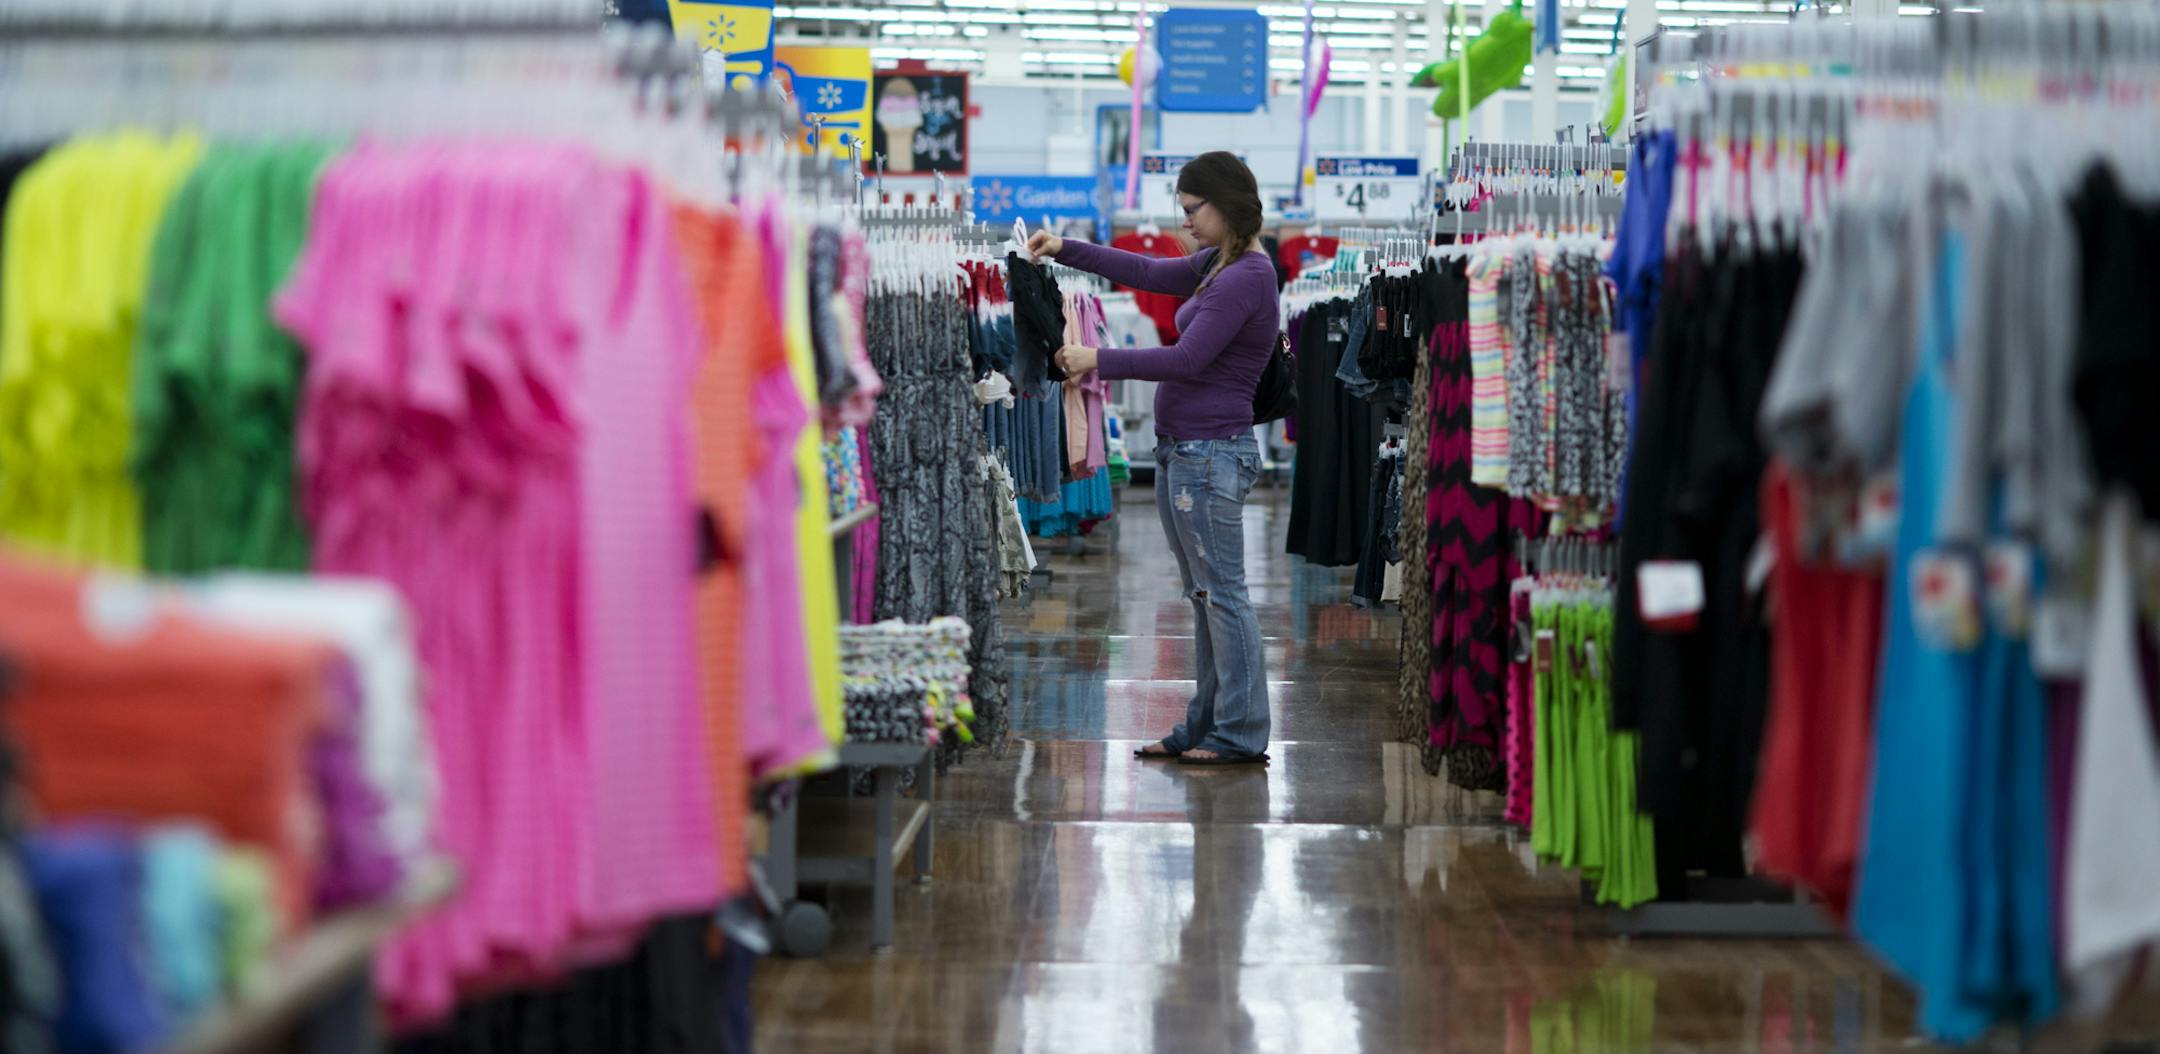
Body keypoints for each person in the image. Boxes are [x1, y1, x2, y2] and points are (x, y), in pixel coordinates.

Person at [1026, 151, 1278, 766]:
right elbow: (1143, 268)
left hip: (1210, 454)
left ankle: (1240, 733)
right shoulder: (1221, 264)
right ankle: (1207, 724)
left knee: (1223, 595)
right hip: (1187, 454)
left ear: (1228, 205)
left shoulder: (1247, 275)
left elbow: (1187, 359)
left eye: (1194, 210)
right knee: (1205, 595)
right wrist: (1064, 247)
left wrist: (1096, 359)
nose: (1185, 221)